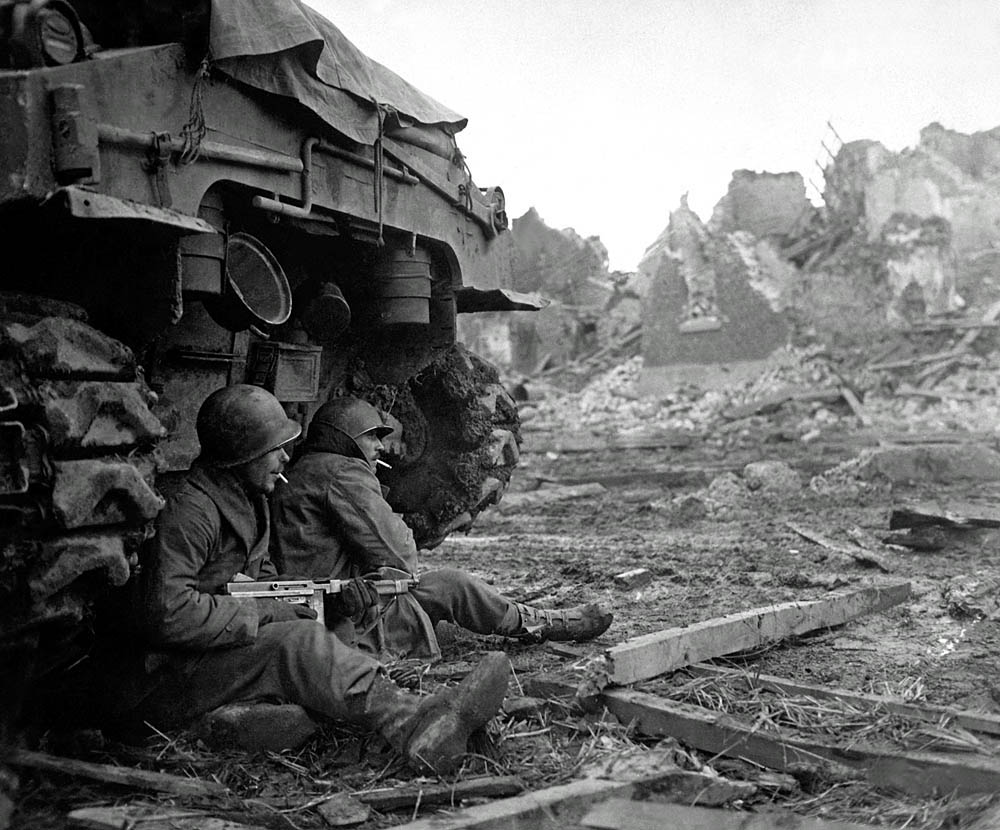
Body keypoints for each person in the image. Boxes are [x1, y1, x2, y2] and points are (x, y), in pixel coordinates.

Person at [107, 384, 511, 775]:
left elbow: (262, 583)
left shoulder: (248, 502)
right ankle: (415, 724)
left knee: (313, 630)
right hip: (165, 675)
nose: (286, 458)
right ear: (241, 454)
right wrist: (261, 614)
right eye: (274, 449)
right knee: (297, 643)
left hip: (212, 650)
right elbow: (167, 613)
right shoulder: (190, 510)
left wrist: (326, 599)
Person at [270, 395, 613, 662]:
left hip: (328, 610)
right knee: (454, 587)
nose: (380, 447)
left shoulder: (307, 470)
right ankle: (545, 625)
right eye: (371, 437)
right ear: (345, 438)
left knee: (449, 586)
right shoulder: (342, 472)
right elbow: (399, 555)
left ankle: (535, 622)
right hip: (348, 620)